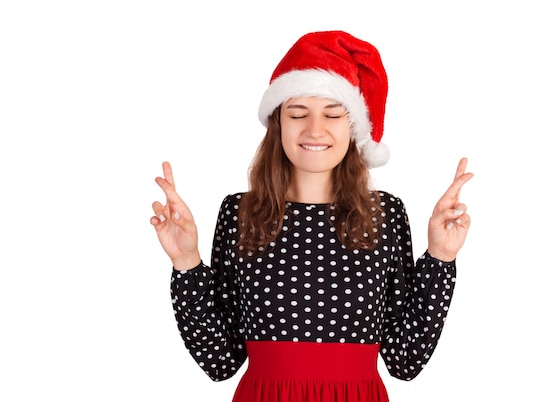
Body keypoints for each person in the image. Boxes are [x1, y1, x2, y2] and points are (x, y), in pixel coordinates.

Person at [150, 30, 473, 402]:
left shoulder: (385, 214)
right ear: (278, 124)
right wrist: (185, 261)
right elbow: (220, 360)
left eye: (333, 114)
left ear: (352, 126)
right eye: (298, 114)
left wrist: (441, 258)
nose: (315, 129)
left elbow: (405, 360)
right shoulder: (241, 213)